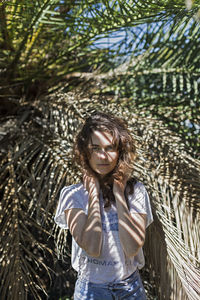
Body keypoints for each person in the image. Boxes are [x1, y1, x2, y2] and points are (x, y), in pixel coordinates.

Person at [54, 111, 153, 300]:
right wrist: (93, 194)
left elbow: (132, 247)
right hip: (90, 290)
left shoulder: (135, 192)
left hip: (130, 289)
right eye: (96, 148)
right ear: (85, 151)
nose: (103, 156)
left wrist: (119, 192)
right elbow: (92, 247)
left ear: (120, 152)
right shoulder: (72, 195)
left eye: (110, 148)